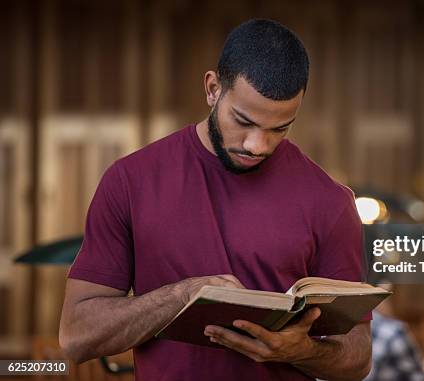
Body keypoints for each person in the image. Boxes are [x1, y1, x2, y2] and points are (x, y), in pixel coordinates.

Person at [59, 19, 371, 381]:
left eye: (279, 128)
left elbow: (358, 358)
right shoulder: (130, 181)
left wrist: (304, 351)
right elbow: (76, 337)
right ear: (212, 89)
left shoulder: (330, 202)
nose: (258, 145)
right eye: (243, 120)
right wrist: (182, 296)